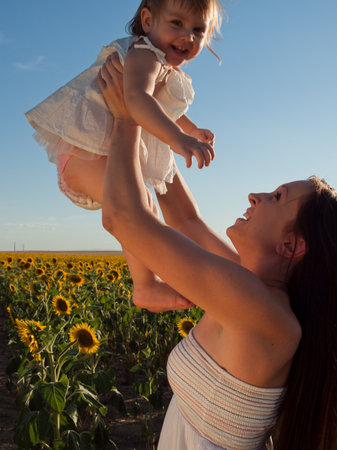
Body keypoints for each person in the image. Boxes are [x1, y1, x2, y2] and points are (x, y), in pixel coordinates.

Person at [97, 54, 337, 449]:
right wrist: (152, 113)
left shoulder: (263, 313)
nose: (255, 195)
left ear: (291, 245)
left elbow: (124, 218)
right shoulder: (247, 286)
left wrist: (126, 119)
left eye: (277, 196)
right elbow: (185, 219)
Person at [25, 0, 223, 309]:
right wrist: (179, 139)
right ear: (147, 21)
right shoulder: (144, 54)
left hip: (95, 153)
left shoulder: (159, 65)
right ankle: (145, 285)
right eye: (176, 24)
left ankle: (158, 280)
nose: (188, 37)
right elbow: (136, 99)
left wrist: (192, 129)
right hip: (86, 153)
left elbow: (160, 105)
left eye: (198, 29)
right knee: (138, 206)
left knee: (143, 204)